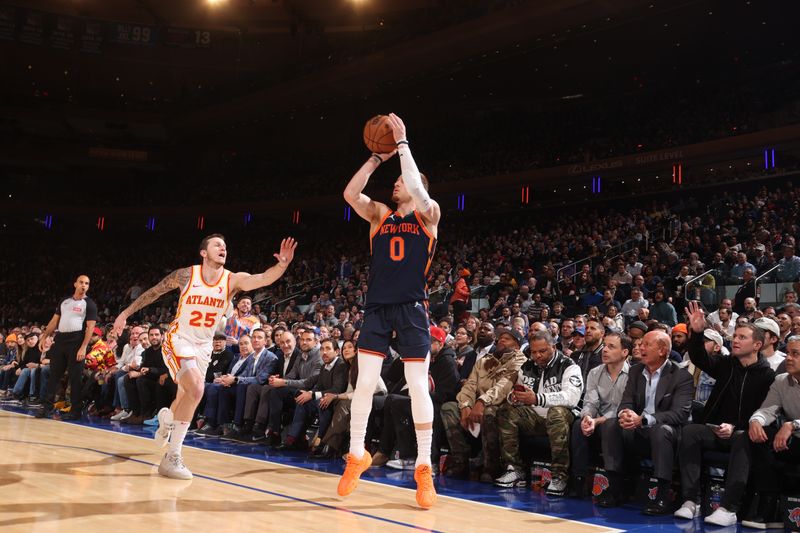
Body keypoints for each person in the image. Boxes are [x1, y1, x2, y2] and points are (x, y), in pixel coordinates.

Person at [112, 233, 297, 480]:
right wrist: (124, 313)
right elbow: (154, 292)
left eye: (225, 246)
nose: (223, 248)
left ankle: (166, 418)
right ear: (203, 252)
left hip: (203, 345)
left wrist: (282, 265)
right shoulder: (187, 275)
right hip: (179, 338)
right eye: (217, 245)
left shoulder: (232, 280)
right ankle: (171, 458)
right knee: (197, 389)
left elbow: (262, 278)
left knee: (186, 395)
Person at [339, 113, 441, 508]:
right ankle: (356, 454)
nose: (396, 182)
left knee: (417, 385)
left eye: (401, 180)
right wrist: (375, 159)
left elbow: (415, 182)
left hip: (413, 308)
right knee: (365, 383)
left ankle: (424, 466)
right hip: (378, 307)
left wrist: (402, 146)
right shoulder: (380, 215)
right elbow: (350, 195)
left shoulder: (429, 215)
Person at [674, 301, 775, 526]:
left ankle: (729, 508)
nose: (735, 340)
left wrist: (736, 426)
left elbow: (763, 413)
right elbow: (699, 357)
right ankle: (692, 501)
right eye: (735, 336)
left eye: (742, 337)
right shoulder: (727, 365)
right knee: (690, 431)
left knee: (742, 437)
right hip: (717, 431)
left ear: (757, 344)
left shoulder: (767, 375)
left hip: (745, 435)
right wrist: (697, 333)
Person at [596, 330, 693, 514]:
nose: (640, 347)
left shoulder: (681, 376)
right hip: (638, 431)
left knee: (660, 430)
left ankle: (663, 495)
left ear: (663, 350)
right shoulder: (636, 370)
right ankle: (615, 488)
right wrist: (625, 414)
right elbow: (626, 401)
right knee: (610, 425)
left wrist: (644, 419)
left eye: (646, 344)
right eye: (640, 344)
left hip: (667, 435)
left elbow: (679, 414)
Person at [495, 330, 583, 496]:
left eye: (542, 351)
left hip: (564, 418)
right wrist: (514, 398)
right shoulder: (527, 366)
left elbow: (571, 398)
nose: (537, 356)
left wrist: (537, 398)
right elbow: (518, 393)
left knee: (556, 412)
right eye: (534, 352)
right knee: (506, 411)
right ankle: (515, 470)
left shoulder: (569, 365)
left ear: (554, 347)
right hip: (534, 417)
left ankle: (559, 476)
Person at [569, 331, 631, 497]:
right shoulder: (594, 372)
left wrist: (597, 421)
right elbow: (590, 402)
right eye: (604, 346)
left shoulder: (633, 374)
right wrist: (588, 417)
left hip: (619, 422)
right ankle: (579, 480)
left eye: (611, 347)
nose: (605, 350)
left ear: (625, 352)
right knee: (577, 425)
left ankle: (614, 485)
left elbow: (621, 408)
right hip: (597, 420)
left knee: (611, 426)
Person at [36, 275, 98, 420]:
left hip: (77, 341)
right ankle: (47, 408)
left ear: (88, 287)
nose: (84, 285)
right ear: (75, 284)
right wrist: (44, 337)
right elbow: (54, 321)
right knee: (53, 376)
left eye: (87, 283)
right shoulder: (64, 301)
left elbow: (90, 328)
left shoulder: (89, 304)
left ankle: (75, 411)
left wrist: (83, 347)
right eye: (81, 282)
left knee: (75, 378)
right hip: (60, 340)